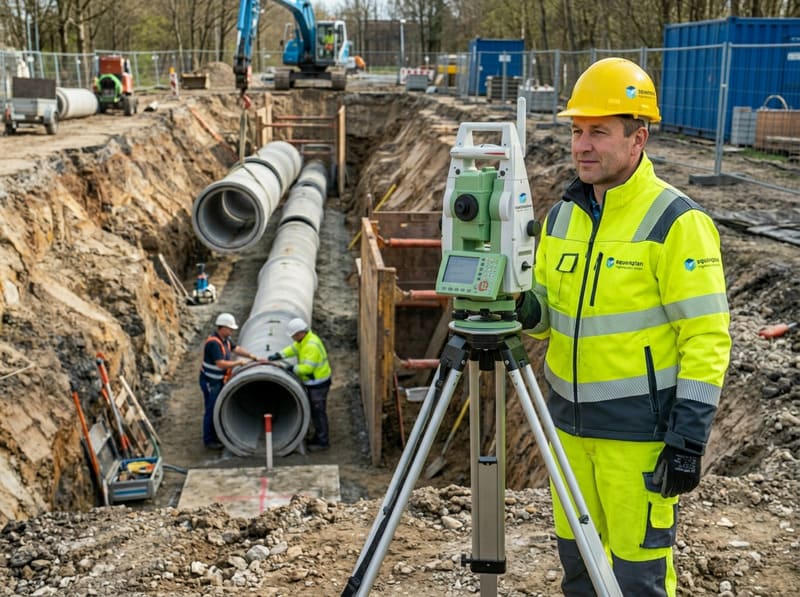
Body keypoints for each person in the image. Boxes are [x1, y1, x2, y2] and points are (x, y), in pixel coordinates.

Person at [515, 57, 731, 596]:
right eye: (576, 131)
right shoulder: (562, 217)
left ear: (639, 138)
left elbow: (706, 337)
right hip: (567, 433)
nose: (582, 146)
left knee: (638, 581)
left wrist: (688, 438)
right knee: (580, 572)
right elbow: (548, 318)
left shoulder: (677, 223)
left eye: (599, 133)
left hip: (638, 441)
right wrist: (521, 309)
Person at [268, 317, 332, 451]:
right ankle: (317, 436)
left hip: (318, 384)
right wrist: (279, 355)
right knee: (314, 410)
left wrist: (292, 368)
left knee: (318, 412)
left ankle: (322, 441)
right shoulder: (304, 340)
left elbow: (308, 369)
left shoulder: (311, 345)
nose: (292, 338)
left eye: (293, 335)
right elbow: (293, 348)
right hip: (313, 382)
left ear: (300, 333)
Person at [199, 313, 262, 449]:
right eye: (230, 329)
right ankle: (209, 440)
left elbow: (236, 348)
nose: (232, 331)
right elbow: (220, 364)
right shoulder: (214, 343)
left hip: (218, 380)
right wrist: (238, 363)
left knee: (217, 406)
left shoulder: (225, 339)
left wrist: (251, 356)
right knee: (211, 409)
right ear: (223, 328)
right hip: (211, 382)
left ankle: (216, 434)